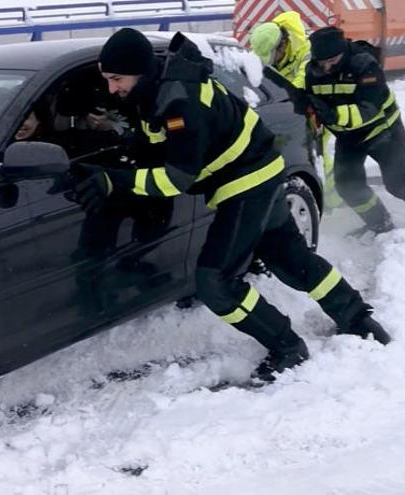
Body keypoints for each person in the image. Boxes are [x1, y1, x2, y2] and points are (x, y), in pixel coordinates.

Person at [70, 28, 390, 381]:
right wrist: (108, 161)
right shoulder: (159, 90)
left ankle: (287, 347)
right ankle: (358, 318)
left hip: (246, 183)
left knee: (215, 281)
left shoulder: (180, 100)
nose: (113, 88)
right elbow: (153, 144)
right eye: (108, 80)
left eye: (117, 79)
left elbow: (176, 179)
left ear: (140, 70)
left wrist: (113, 180)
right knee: (290, 259)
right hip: (261, 173)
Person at [305, 26, 405, 235]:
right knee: (348, 185)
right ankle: (380, 224)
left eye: (331, 62)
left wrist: (332, 115)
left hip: (383, 132)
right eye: (321, 63)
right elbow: (314, 101)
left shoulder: (365, 64)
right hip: (348, 137)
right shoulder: (313, 71)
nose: (326, 68)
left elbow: (369, 109)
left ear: (342, 52)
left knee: (398, 183)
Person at [249, 12, 343, 210]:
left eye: (273, 56)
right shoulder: (266, 44)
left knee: (318, 157)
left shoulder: (306, 53)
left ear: (282, 45)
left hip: (315, 108)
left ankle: (333, 204)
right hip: (295, 111)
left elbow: (299, 86)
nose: (272, 61)